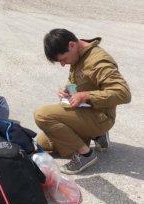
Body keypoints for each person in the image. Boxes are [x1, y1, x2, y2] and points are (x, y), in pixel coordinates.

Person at [34, 29, 131, 175]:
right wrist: (68, 90)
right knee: (43, 143)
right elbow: (78, 81)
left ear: (72, 45)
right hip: (86, 111)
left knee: (42, 115)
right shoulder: (78, 54)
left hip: (101, 116)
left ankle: (86, 155)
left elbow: (123, 93)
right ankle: (96, 135)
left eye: (63, 59)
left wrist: (86, 96)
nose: (62, 64)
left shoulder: (98, 61)